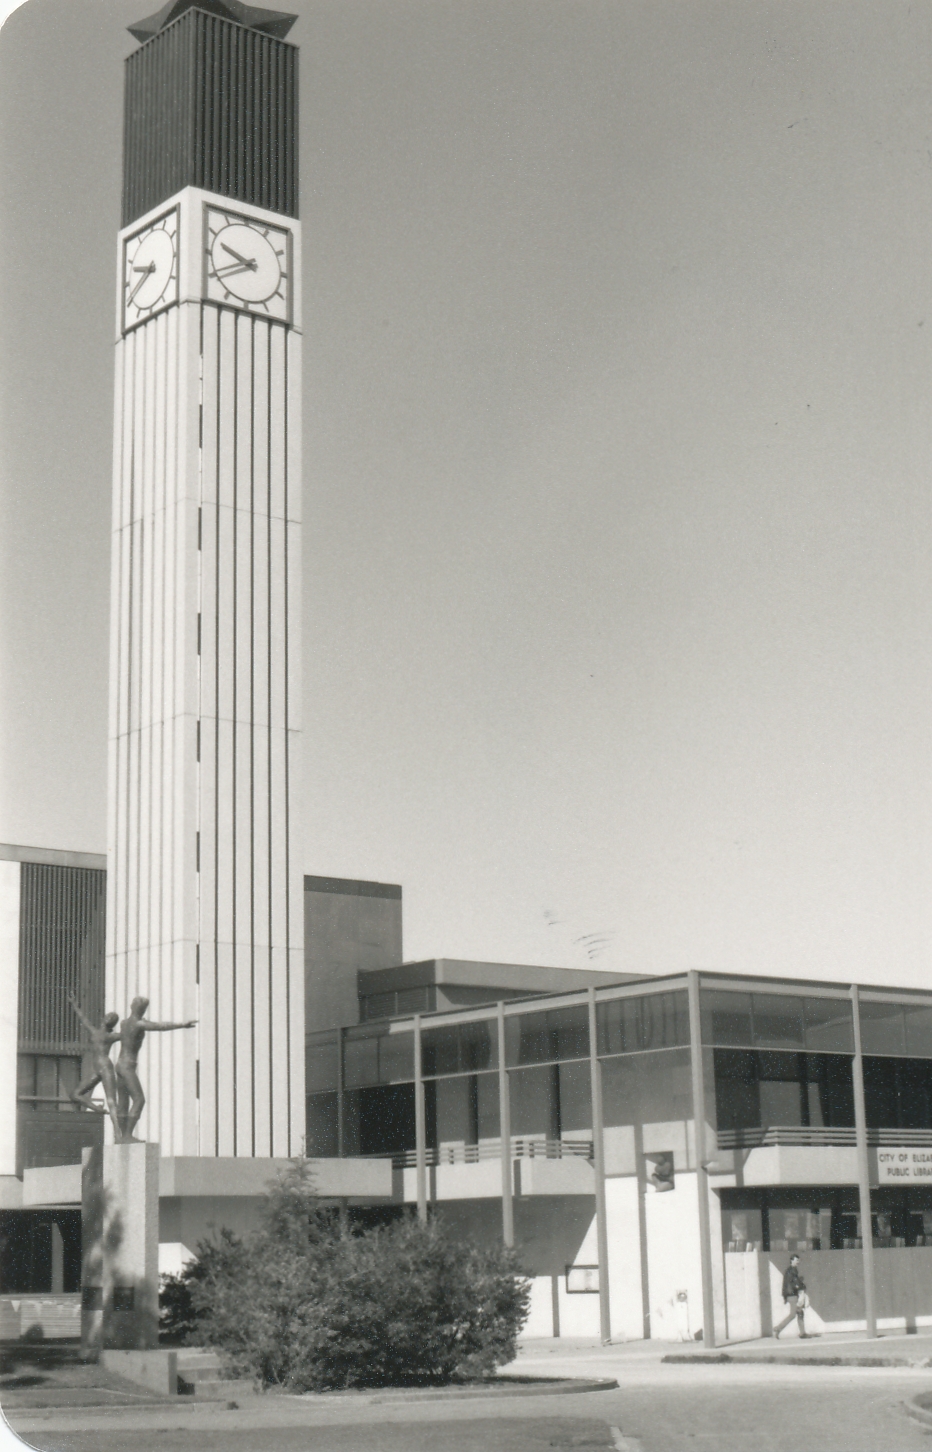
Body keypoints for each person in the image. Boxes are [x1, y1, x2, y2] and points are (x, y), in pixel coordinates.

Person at [114, 996, 196, 1142]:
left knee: (123, 1101)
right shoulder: (139, 1023)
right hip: (128, 1064)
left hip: (120, 1064)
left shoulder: (124, 1023)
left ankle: (121, 1136)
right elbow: (161, 1026)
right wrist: (182, 1024)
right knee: (139, 1100)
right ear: (141, 1009)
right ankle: (126, 1135)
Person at [67, 994, 122, 1140]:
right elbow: (83, 1019)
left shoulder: (110, 1036)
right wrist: (74, 1005)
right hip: (96, 1069)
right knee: (75, 1094)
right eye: (109, 1016)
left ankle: (118, 1132)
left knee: (111, 1100)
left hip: (105, 1066)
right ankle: (96, 1109)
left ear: (109, 1022)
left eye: (111, 1018)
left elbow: (127, 1035)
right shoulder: (95, 1032)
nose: (108, 1018)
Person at [774, 1253, 812, 1338]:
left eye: (799, 1260)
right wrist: (802, 1286)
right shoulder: (792, 1270)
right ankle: (778, 1328)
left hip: (791, 1295)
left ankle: (802, 1333)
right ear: (792, 1260)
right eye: (796, 1260)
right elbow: (795, 1283)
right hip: (792, 1295)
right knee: (793, 1314)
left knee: (800, 1312)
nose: (798, 1262)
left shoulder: (790, 1270)